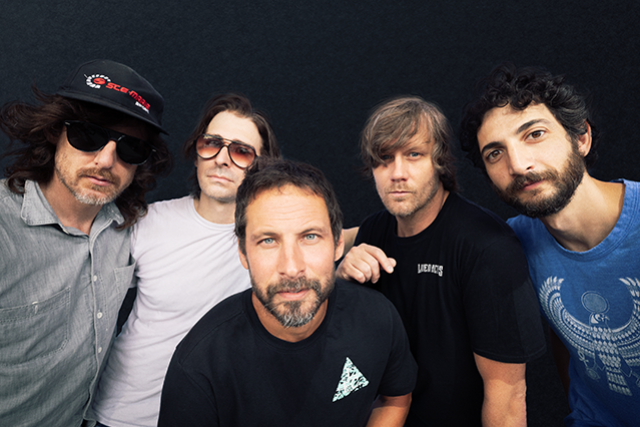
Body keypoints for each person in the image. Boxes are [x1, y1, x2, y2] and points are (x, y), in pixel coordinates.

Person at [157, 158, 418, 427]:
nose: (292, 268)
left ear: (338, 243)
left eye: (310, 237)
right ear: (243, 252)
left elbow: (395, 399)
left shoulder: (377, 318)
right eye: (268, 240)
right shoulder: (199, 365)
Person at [337, 96, 546, 426]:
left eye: (414, 155)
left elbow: (507, 398)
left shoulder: (486, 247)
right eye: (384, 159)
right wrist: (342, 282)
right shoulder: (373, 232)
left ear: (439, 161)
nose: (397, 174)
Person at [460, 63, 640, 427]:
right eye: (495, 153)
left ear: (581, 138)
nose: (518, 164)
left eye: (535, 134)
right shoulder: (513, 243)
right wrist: (348, 244)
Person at [88, 93, 280, 427]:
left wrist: (357, 249)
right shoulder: (147, 222)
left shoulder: (271, 239)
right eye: (212, 144)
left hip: (208, 418)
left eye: (241, 151)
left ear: (259, 167)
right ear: (197, 153)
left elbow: (330, 237)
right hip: (122, 415)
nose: (222, 159)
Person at [0, 59, 171, 427]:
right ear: (54, 131)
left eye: (131, 148)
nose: (106, 160)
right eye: (88, 136)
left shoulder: (129, 229)